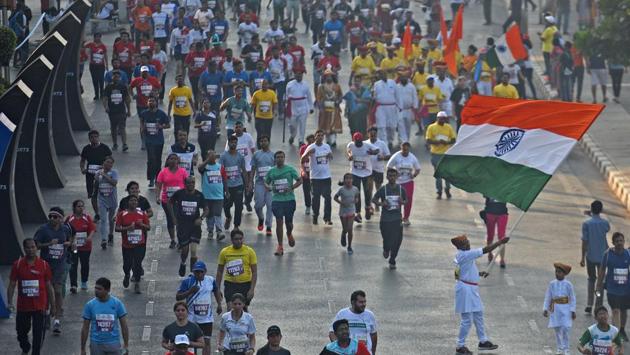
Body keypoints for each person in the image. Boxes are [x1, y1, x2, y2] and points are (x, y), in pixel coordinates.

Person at [451, 234, 508, 354]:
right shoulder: (465, 254)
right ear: (460, 246)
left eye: (468, 241)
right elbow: (486, 250)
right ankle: (460, 346)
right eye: (465, 242)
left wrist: (478, 274)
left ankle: (483, 341)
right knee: (467, 320)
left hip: (470, 287)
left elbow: (460, 273)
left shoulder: (463, 255)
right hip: (465, 290)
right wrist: (500, 242)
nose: (468, 243)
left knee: (478, 314)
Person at [7, 238, 55, 355]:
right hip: (23, 306)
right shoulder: (17, 265)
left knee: (38, 334)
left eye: (33, 247)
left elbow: (49, 286)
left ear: (36, 248)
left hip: (40, 307)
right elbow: (12, 284)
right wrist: (9, 302)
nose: (31, 250)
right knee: (21, 332)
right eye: (28, 247)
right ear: (24, 249)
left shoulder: (44, 265)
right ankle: (25, 347)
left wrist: (53, 306)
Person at [177, 260, 223, 354]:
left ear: (205, 271)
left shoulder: (210, 280)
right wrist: (190, 291)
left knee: (206, 342)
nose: (199, 274)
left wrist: (219, 304)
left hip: (207, 318)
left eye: (201, 271)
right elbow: (178, 297)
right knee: (190, 342)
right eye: (196, 272)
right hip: (191, 318)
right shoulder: (188, 281)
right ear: (193, 272)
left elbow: (216, 290)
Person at [265, 150, 302, 256]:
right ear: (274, 159)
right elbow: (266, 183)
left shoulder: (290, 169)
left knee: (289, 223)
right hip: (277, 200)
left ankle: (289, 233)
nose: (280, 159)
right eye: (278, 157)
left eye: (282, 157)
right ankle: (280, 246)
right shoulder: (271, 171)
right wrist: (270, 188)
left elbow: (300, 180)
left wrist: (291, 188)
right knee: (279, 222)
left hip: (289, 200)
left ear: (284, 158)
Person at [80, 277, 130, 355]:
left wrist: (126, 345)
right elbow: (85, 328)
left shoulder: (117, 304)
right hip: (96, 344)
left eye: (99, 289)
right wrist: (82, 348)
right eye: (95, 288)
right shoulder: (90, 305)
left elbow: (124, 326)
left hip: (113, 344)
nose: (96, 291)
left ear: (108, 290)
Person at [170, 176, 208, 276]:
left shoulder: (199, 195)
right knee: (185, 250)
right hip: (182, 226)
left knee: (194, 251)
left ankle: (193, 273)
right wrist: (173, 217)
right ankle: (183, 263)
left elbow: (206, 209)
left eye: (193, 182)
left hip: (195, 226)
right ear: (185, 183)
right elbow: (170, 202)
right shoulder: (179, 193)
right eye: (189, 183)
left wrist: (201, 218)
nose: (191, 184)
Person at [596, 232, 630, 340]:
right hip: (612, 289)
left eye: (621, 241)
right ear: (613, 243)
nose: (619, 243)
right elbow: (602, 270)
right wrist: (598, 285)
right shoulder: (608, 254)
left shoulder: (628, 254)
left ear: (624, 242)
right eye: (617, 241)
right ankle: (616, 334)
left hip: (626, 290)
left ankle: (622, 329)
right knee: (615, 310)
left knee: (624, 311)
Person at [371, 169, 407, 269]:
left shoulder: (401, 189)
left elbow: (406, 200)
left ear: (397, 177)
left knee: (398, 240)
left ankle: (392, 259)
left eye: (394, 176)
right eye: (390, 176)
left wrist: (402, 202)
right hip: (385, 220)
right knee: (387, 240)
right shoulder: (383, 189)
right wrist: (381, 204)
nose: (392, 178)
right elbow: (374, 199)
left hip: (397, 219)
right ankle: (386, 249)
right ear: (387, 177)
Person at [115, 195, 150, 293]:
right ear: (128, 202)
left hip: (140, 243)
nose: (134, 202)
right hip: (127, 245)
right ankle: (127, 274)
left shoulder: (142, 214)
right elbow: (117, 228)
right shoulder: (122, 214)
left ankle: (137, 284)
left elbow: (148, 227)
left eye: (135, 201)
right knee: (127, 264)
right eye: (131, 201)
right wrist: (127, 228)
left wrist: (142, 225)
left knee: (138, 263)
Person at [581, 200, 610, 314]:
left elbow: (584, 241)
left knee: (591, 279)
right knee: (600, 281)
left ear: (591, 209)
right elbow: (607, 229)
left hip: (591, 256)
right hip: (603, 256)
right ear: (601, 210)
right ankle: (598, 304)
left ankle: (589, 303)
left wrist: (583, 257)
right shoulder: (605, 223)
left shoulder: (586, 224)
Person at [216, 230, 258, 310]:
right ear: (231, 240)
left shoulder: (249, 251)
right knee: (230, 309)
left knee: (243, 310)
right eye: (236, 239)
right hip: (230, 284)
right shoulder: (224, 252)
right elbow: (219, 272)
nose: (239, 241)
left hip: (245, 284)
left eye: (241, 239)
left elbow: (254, 272)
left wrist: (252, 289)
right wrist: (217, 289)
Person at [156, 154, 189, 249]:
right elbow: (158, 185)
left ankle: (180, 240)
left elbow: (187, 184)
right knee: (170, 219)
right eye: (171, 159)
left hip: (179, 201)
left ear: (178, 161)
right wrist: (157, 197)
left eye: (175, 159)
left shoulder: (183, 171)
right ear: (168, 160)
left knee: (179, 219)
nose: (173, 161)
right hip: (167, 201)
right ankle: (172, 240)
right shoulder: (163, 172)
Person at [543, 263, 576, 355]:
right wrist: (545, 308)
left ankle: (566, 348)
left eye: (559, 272)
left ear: (564, 274)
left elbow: (572, 298)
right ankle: (559, 348)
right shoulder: (552, 284)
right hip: (555, 309)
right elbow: (548, 296)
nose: (557, 274)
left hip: (566, 309)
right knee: (557, 329)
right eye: (556, 272)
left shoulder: (568, 284)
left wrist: (573, 310)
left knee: (565, 328)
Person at [301, 129, 333, 225]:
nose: (320, 137)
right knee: (316, 198)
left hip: (326, 176)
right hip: (315, 177)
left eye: (322, 135)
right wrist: (308, 153)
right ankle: (315, 216)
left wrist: (330, 155)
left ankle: (327, 218)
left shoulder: (327, 146)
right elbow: (303, 159)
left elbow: (331, 157)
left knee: (328, 198)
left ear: (323, 137)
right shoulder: (311, 147)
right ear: (315, 137)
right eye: (318, 135)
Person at [346, 132, 379, 223]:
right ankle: (358, 213)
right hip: (355, 173)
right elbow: (348, 150)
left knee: (367, 192)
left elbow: (377, 150)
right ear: (354, 140)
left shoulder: (367, 145)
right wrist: (350, 156)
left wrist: (373, 152)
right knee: (356, 193)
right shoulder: (351, 145)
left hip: (367, 173)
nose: (359, 143)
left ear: (362, 140)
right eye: (357, 142)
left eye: (360, 141)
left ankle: (368, 207)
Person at [66, 200, 96, 293]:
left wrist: (89, 238)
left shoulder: (87, 218)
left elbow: (92, 229)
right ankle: (74, 285)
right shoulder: (69, 219)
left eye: (82, 206)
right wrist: (71, 242)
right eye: (79, 206)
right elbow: (65, 231)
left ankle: (84, 282)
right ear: (74, 207)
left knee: (85, 264)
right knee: (73, 265)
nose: (81, 208)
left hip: (85, 247)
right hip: (74, 247)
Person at [140, 96, 171, 188]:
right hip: (149, 140)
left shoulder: (161, 114)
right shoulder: (144, 113)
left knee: (157, 160)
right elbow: (142, 123)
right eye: (149, 101)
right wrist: (143, 128)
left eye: (153, 101)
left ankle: (158, 177)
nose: (151, 102)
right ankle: (151, 179)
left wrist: (161, 127)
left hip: (159, 141)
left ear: (156, 102)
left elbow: (168, 125)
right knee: (151, 159)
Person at [386, 143, 420, 226]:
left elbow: (418, 169)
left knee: (408, 199)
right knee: (397, 200)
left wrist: (414, 175)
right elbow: (388, 167)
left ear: (409, 149)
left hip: (408, 181)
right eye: (403, 149)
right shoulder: (396, 156)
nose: (405, 151)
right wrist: (393, 176)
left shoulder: (412, 157)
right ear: (401, 148)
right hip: (397, 182)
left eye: (407, 150)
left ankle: (406, 218)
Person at [221, 135, 249, 232]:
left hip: (238, 185)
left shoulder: (240, 157)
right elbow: (221, 171)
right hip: (227, 186)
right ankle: (228, 217)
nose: (233, 144)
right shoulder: (223, 156)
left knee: (239, 206)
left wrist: (247, 184)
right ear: (228, 143)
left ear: (237, 144)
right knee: (226, 205)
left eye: (235, 142)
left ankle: (236, 225)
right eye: (231, 142)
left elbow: (244, 171)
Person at [426, 111, 457, 200]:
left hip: (446, 154)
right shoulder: (431, 127)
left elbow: (453, 139)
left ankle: (447, 189)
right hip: (436, 154)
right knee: (438, 175)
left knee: (447, 174)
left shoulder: (448, 127)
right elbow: (428, 140)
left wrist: (447, 143)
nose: (442, 120)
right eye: (441, 118)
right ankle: (439, 191)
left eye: (444, 118)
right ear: (437, 118)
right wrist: (438, 142)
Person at [91, 156, 119, 249]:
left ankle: (110, 234)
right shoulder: (98, 173)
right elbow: (95, 185)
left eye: (111, 163)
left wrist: (105, 175)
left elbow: (114, 183)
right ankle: (103, 239)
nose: (109, 164)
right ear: (104, 163)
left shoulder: (114, 172)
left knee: (111, 219)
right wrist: (96, 178)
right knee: (103, 219)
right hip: (102, 200)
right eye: (107, 162)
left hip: (112, 200)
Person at [251, 135, 275, 237]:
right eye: (261, 141)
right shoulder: (256, 154)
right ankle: (261, 217)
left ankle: (268, 226)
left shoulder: (273, 155)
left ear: (268, 142)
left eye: (265, 140)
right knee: (258, 205)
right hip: (259, 183)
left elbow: (276, 169)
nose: (263, 143)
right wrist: (250, 181)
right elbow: (253, 168)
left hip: (270, 184)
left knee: (270, 205)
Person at [102, 70, 131, 151]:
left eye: (117, 77)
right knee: (113, 128)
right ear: (112, 77)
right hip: (112, 111)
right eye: (114, 76)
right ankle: (115, 143)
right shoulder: (108, 87)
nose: (116, 78)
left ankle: (124, 144)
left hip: (121, 110)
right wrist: (106, 107)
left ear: (120, 78)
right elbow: (104, 98)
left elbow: (127, 99)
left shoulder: (123, 87)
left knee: (122, 127)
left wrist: (128, 110)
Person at [80, 130, 113, 199]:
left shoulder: (104, 148)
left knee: (102, 189)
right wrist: (82, 169)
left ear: (98, 137)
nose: (94, 138)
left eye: (96, 137)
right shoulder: (86, 148)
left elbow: (110, 160)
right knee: (90, 190)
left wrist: (106, 168)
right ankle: (92, 199)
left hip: (102, 172)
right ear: (89, 138)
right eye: (92, 137)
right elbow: (82, 160)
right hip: (90, 172)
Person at [285, 69, 314, 146]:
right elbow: (286, 96)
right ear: (294, 75)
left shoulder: (305, 84)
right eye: (297, 74)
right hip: (293, 106)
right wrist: (285, 104)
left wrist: (311, 107)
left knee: (302, 124)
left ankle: (301, 140)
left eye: (301, 74)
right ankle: (292, 135)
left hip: (303, 107)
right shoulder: (289, 84)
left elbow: (309, 96)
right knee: (292, 124)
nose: (299, 76)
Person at [317, 70, 343, 147]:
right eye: (327, 76)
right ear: (324, 78)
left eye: (330, 76)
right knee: (325, 125)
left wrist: (338, 101)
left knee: (334, 125)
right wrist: (321, 106)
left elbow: (340, 95)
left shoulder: (337, 86)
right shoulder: (321, 87)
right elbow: (318, 98)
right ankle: (328, 141)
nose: (329, 78)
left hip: (334, 108)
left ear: (333, 77)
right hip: (325, 110)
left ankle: (334, 140)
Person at [334, 173, 359, 254]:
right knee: (345, 229)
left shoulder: (355, 189)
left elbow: (357, 197)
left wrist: (356, 200)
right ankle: (343, 234)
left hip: (351, 211)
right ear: (344, 180)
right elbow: (335, 197)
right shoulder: (341, 190)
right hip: (343, 212)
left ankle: (349, 246)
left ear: (352, 180)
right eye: (347, 178)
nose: (348, 180)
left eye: (350, 178)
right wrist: (341, 203)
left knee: (350, 229)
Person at [372, 69, 398, 144]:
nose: (382, 75)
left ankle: (390, 140)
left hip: (392, 107)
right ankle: (383, 143)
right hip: (381, 107)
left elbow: (397, 95)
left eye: (383, 73)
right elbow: (374, 96)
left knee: (392, 126)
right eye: (380, 74)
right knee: (381, 126)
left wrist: (399, 107)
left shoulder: (392, 82)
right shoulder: (376, 84)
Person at [483, 197, 509, 268]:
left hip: (502, 213)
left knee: (502, 236)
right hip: (490, 212)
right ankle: (490, 253)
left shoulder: (506, 187)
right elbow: (485, 194)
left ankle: (502, 259)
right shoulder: (489, 187)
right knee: (490, 235)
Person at [85, 33, 109, 101]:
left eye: (99, 37)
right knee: (95, 80)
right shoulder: (91, 44)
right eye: (96, 37)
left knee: (101, 80)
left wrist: (106, 65)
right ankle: (96, 94)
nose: (97, 38)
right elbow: (83, 46)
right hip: (93, 65)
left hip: (101, 66)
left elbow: (105, 55)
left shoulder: (103, 46)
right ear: (94, 37)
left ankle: (102, 94)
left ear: (100, 38)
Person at [299, 134, 315, 215]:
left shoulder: (317, 148)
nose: (311, 142)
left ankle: (315, 206)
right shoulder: (303, 148)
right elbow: (302, 159)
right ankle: (308, 206)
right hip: (306, 171)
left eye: (313, 141)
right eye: (310, 141)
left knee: (314, 191)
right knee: (306, 190)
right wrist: (303, 171)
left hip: (314, 172)